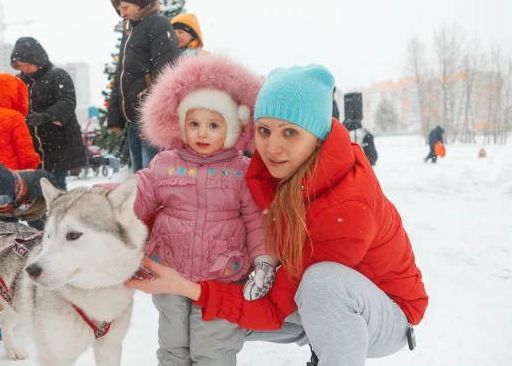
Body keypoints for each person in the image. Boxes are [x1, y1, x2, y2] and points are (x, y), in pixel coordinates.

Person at [127, 65, 429, 366]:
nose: (272, 147)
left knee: (318, 285)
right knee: (215, 324)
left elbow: (274, 305)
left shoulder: (346, 208)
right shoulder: (274, 167)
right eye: (264, 130)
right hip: (308, 297)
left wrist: (187, 287)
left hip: (385, 313)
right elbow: (195, 211)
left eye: (290, 132)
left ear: (318, 137)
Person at [101, 54, 276, 365]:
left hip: (221, 276)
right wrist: (103, 200)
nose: (202, 133)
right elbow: (141, 191)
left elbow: (256, 221)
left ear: (232, 129)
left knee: (213, 347)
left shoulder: (241, 171)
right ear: (181, 125)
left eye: (213, 125)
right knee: (173, 345)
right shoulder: (166, 164)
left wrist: (263, 260)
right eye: (194, 124)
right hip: (170, 268)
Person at [108, 0, 180, 173]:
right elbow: (120, 74)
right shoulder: (130, 31)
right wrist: (116, 116)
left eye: (125, 7)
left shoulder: (158, 24)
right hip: (135, 119)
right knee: (140, 177)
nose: (122, 13)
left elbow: (166, 73)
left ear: (140, 0)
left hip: (151, 119)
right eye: (119, 9)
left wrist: (156, 112)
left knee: (155, 175)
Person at [11, 37, 86, 190]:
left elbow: (68, 101)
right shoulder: (17, 82)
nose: (24, 69)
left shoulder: (58, 75)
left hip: (58, 143)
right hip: (32, 145)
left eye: (26, 64)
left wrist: (46, 116)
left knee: (56, 185)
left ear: (37, 60)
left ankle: (59, 214)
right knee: (35, 188)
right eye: (20, 66)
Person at [0, 163, 57, 234]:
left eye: (0, 201)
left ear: (12, 193)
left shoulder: (35, 183)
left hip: (33, 210)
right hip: (6, 215)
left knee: (41, 230)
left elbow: (55, 195)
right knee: (6, 233)